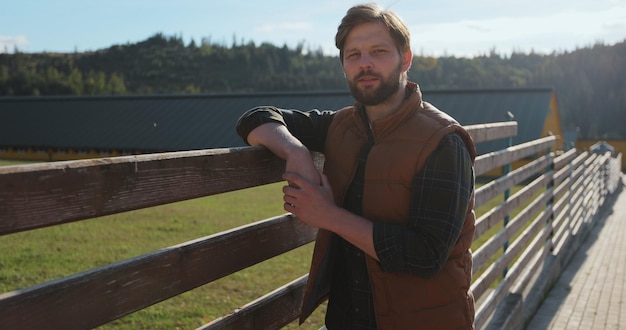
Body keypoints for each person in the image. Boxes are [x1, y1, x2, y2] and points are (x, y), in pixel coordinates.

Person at [236, 3, 476, 329]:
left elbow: (426, 256)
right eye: (354, 55)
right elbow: (256, 118)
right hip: (348, 318)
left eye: (378, 51)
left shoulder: (443, 141)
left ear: (405, 58)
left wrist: (328, 215)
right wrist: (297, 153)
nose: (365, 63)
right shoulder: (339, 126)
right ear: (344, 66)